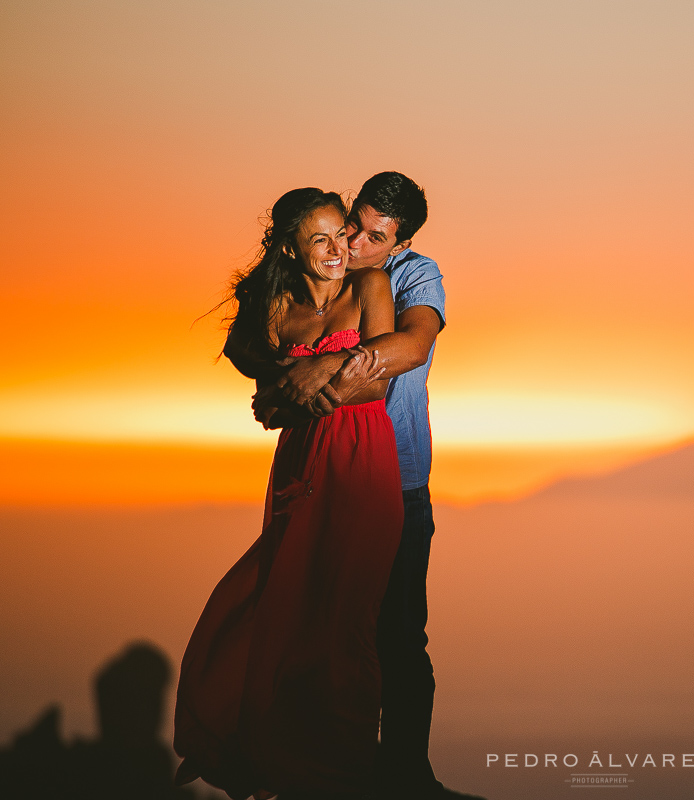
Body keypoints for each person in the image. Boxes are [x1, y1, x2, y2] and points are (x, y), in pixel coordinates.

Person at [174, 188, 402, 799]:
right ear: (290, 249)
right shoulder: (277, 309)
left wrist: (307, 383)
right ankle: (266, 754)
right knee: (281, 603)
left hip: (363, 460)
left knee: (348, 619)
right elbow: (251, 373)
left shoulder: (371, 285)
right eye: (320, 240)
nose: (338, 250)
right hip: (300, 461)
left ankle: (347, 773)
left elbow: (377, 388)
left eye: (342, 234)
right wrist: (281, 393)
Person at [265, 172, 455, 799]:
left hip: (398, 478)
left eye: (377, 236)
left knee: (398, 634)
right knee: (315, 625)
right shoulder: (324, 268)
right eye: (355, 226)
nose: (359, 242)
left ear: (398, 244)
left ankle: (406, 775)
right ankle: (328, 768)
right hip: (324, 474)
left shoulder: (412, 275)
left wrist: (325, 369)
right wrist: (276, 382)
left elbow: (413, 344)